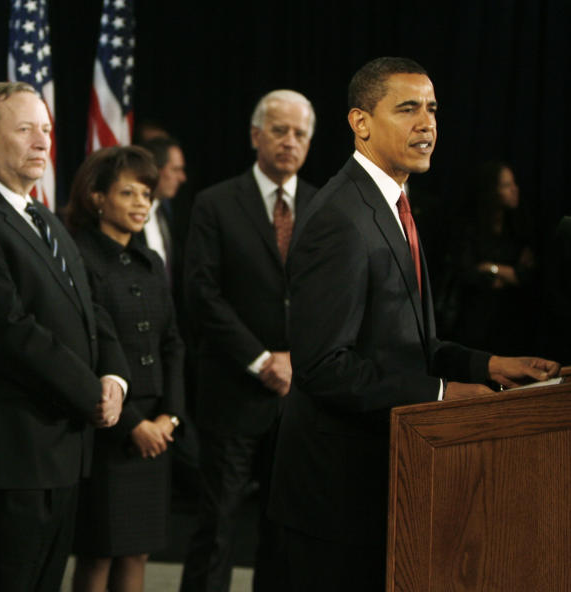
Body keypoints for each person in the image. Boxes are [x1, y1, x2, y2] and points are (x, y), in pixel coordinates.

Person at [268, 57, 560, 591]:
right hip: (335, 502)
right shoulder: (341, 217)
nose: (427, 124)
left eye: (431, 109)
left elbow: (406, 343)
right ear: (361, 122)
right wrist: (446, 394)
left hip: (385, 481)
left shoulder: (393, 202)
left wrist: (489, 365)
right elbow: (323, 367)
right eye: (407, 109)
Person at [0, 81, 129, 591]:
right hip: (8, 462)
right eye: (25, 129)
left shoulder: (44, 221)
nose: (43, 142)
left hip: (60, 456)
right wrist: (89, 393)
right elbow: (8, 334)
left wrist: (114, 377)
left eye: (47, 130)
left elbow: (91, 309)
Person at [179, 89, 318, 592]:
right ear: (255, 135)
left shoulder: (325, 206)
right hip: (234, 392)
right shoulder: (215, 203)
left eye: (299, 133)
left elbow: (334, 298)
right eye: (279, 130)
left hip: (299, 398)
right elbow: (201, 294)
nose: (289, 141)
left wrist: (299, 360)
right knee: (216, 529)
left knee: (283, 532)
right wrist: (260, 360)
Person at [64, 146, 186, 592]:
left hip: (157, 430)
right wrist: (133, 424)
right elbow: (84, 350)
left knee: (138, 550)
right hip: (109, 429)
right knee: (99, 553)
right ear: (98, 198)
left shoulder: (151, 260)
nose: (141, 203)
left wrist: (169, 417)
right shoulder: (78, 258)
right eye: (128, 192)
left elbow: (173, 343)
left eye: (146, 194)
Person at [450, 161, 537, 354]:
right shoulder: (471, 228)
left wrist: (490, 267)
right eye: (506, 185)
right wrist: (507, 274)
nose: (515, 190)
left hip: (515, 317)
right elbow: (467, 274)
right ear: (491, 191)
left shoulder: (519, 226)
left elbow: (526, 276)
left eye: (513, 184)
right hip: (477, 321)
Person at [138, 136, 187, 275]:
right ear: (154, 170)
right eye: (176, 169)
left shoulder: (165, 213)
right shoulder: (130, 216)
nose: (182, 178)